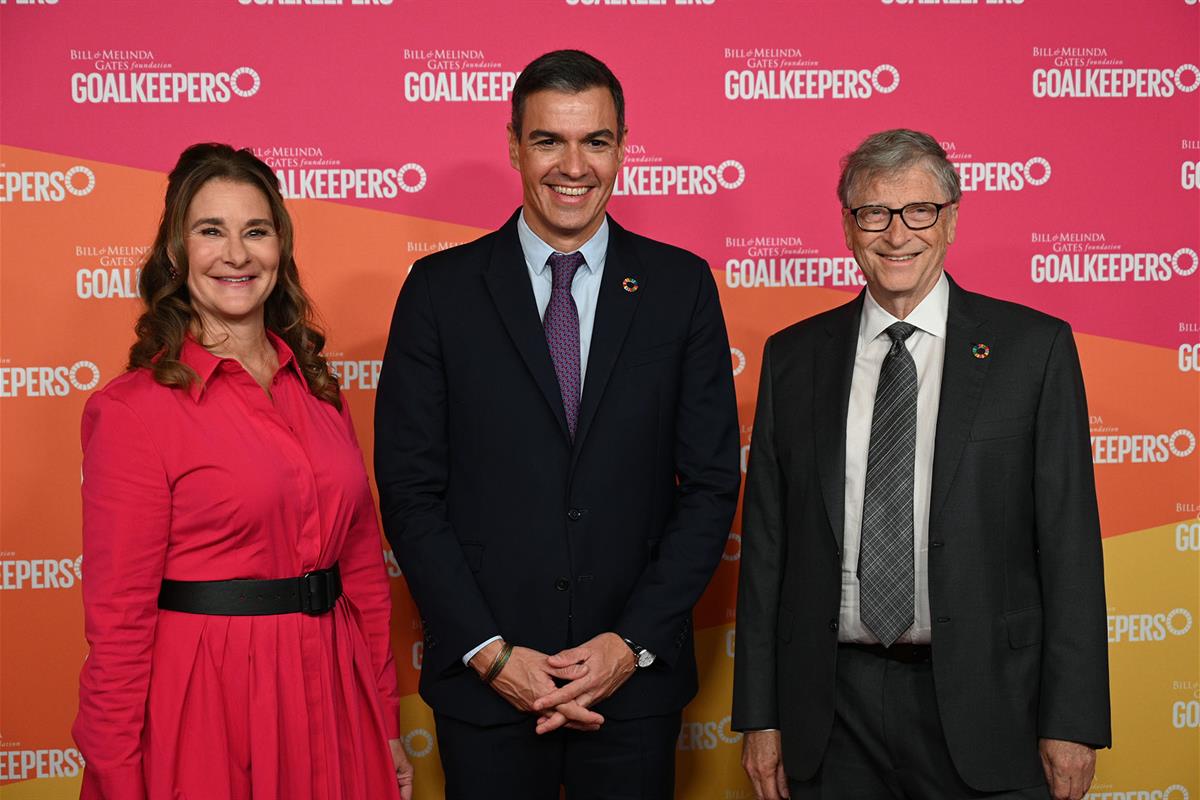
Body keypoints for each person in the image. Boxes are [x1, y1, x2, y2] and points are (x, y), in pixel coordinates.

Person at [374, 49, 740, 799]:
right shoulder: (439, 292)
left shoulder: (680, 287)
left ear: (621, 148)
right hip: (486, 686)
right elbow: (410, 490)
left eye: (595, 141)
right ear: (514, 145)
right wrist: (491, 654)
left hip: (630, 690)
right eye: (548, 140)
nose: (573, 166)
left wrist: (629, 644)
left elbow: (708, 486)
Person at [732, 129, 1110, 800]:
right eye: (874, 212)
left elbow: (1070, 548)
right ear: (848, 228)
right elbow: (766, 551)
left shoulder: (1033, 351)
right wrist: (759, 715)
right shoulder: (793, 360)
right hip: (831, 710)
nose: (896, 233)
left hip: (988, 707)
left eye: (919, 211)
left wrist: (1074, 721)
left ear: (953, 219)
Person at [73, 143, 413, 800]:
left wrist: (386, 721)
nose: (236, 254)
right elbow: (117, 622)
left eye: (255, 231)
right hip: (210, 706)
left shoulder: (318, 390)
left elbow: (365, 575)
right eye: (211, 231)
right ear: (176, 253)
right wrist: (116, 775)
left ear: (280, 249)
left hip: (336, 693)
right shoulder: (133, 412)